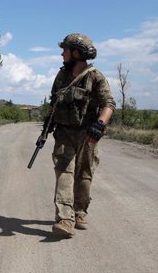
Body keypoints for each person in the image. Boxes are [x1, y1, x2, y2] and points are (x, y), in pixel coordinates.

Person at [48, 33, 115, 238]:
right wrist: (49, 122)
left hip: (87, 134)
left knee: (84, 173)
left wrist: (100, 124)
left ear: (76, 53)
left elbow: (109, 104)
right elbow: (54, 102)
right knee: (64, 171)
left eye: (65, 50)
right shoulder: (61, 77)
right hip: (64, 133)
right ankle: (65, 219)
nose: (62, 54)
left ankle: (79, 211)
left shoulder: (95, 76)